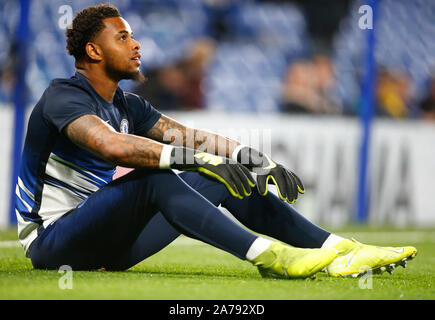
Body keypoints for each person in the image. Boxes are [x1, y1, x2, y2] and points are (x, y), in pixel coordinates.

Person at [15, 4, 417, 279]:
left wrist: (251, 157)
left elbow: (191, 136)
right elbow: (111, 147)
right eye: (122, 38)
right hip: (54, 245)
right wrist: (197, 160)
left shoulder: (127, 104)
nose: (136, 44)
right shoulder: (63, 96)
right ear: (93, 50)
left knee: (227, 175)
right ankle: (269, 256)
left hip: (105, 247)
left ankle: (340, 251)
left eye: (133, 36)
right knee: (157, 174)